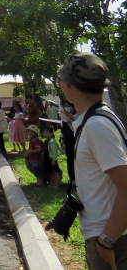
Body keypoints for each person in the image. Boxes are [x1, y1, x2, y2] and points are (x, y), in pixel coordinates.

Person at [59, 51, 127, 269]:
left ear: (67, 85)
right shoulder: (98, 117)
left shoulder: (97, 125)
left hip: (112, 238)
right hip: (110, 234)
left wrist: (106, 241)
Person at [59, 98, 78, 182]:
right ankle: (72, 177)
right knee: (70, 159)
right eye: (65, 106)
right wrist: (62, 141)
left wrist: (65, 113)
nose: (67, 108)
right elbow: (62, 130)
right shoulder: (63, 119)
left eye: (68, 106)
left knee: (76, 159)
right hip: (68, 141)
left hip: (76, 141)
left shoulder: (77, 116)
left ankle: (77, 177)